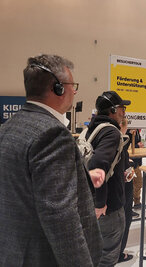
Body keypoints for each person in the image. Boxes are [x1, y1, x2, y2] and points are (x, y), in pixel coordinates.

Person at [0, 54, 103, 266]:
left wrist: (81, 179)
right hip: (44, 257)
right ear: (58, 88)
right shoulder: (53, 134)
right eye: (72, 85)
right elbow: (61, 219)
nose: (74, 92)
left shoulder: (8, 127)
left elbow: (23, 184)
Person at [87, 90, 131, 266]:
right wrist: (101, 202)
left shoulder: (93, 129)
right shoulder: (112, 132)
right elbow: (98, 163)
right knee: (108, 256)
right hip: (109, 208)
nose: (124, 112)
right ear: (112, 110)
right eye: (121, 108)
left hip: (90, 201)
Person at [118, 118, 135, 263]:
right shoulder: (118, 140)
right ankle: (118, 253)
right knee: (124, 219)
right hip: (122, 190)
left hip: (119, 190)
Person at [129, 129, 144, 210]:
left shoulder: (137, 131)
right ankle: (129, 204)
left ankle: (137, 202)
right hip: (130, 162)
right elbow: (126, 146)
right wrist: (137, 146)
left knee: (139, 183)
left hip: (137, 161)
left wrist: (139, 145)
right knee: (130, 184)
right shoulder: (128, 131)